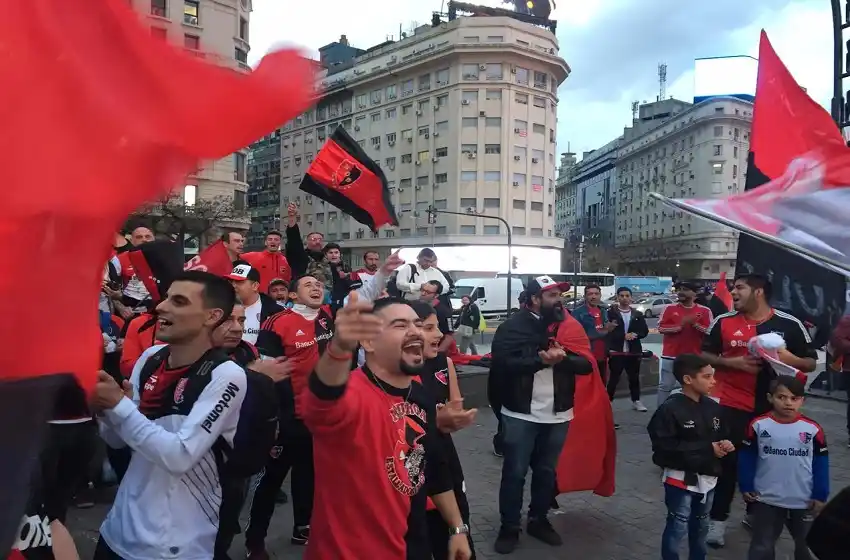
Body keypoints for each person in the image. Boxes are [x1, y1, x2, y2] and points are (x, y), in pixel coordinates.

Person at [90, 271, 248, 560]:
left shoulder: (226, 374)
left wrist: (121, 408)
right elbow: (117, 442)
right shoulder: (150, 358)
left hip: (173, 546)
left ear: (211, 316)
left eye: (178, 301)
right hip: (116, 533)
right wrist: (108, 411)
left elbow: (179, 456)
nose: (161, 306)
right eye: (166, 298)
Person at [301, 295, 472, 559]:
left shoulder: (421, 396)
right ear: (368, 342)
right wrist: (339, 348)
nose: (415, 331)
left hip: (411, 545)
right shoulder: (349, 395)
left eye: (417, 324)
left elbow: (433, 469)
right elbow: (319, 400)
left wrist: (457, 528)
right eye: (401, 325)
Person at [701, 274, 818, 547]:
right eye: (732, 288)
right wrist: (733, 364)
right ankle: (717, 522)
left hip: (773, 411)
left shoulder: (789, 324)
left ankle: (756, 515)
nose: (734, 292)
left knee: (767, 465)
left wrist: (789, 358)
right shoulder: (723, 321)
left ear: (759, 292)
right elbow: (702, 355)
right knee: (727, 464)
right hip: (730, 405)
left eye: (739, 287)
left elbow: (811, 363)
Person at [490, 276, 593, 554]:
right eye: (551, 295)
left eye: (560, 294)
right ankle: (509, 526)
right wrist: (540, 360)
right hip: (520, 412)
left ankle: (538, 519)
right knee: (515, 473)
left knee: (546, 472)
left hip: (558, 413)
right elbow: (501, 365)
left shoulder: (570, 327)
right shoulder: (512, 327)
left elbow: (586, 364)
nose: (559, 300)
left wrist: (564, 358)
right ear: (535, 299)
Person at [410, 301, 478, 560]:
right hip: (410, 467)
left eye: (437, 326)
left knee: (456, 535)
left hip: (442, 458)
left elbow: (455, 407)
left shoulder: (443, 363)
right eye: (429, 327)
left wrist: (452, 419)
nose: (438, 334)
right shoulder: (395, 373)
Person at [647, 354, 732, 560]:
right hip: (679, 481)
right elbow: (663, 448)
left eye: (713, 376)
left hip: (708, 478)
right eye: (707, 376)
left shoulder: (713, 407)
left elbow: (722, 434)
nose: (713, 381)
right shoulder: (669, 409)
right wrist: (707, 449)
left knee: (701, 525)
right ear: (688, 379)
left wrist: (725, 444)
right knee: (677, 524)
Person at [739, 375, 829, 560]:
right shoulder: (758, 425)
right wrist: (746, 485)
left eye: (794, 398)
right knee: (762, 546)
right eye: (782, 397)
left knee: (807, 547)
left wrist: (820, 495)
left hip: (803, 500)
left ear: (802, 401)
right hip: (767, 498)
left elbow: (821, 463)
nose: (788, 403)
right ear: (770, 398)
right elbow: (747, 457)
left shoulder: (813, 429)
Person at [658, 282, 713, 405]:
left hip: (694, 357)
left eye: (686, 289)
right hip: (670, 356)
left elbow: (710, 332)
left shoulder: (704, 311)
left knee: (695, 387)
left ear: (695, 294)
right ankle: (660, 413)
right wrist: (680, 326)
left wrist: (695, 325)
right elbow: (661, 329)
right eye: (679, 289)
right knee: (665, 386)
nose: (680, 292)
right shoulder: (669, 308)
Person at [605, 286, 650, 411]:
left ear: (631, 297)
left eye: (627, 296)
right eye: (622, 296)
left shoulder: (637, 314)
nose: (625, 298)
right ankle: (608, 401)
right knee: (614, 378)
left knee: (634, 378)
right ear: (617, 297)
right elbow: (607, 331)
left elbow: (644, 331)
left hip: (633, 351)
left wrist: (635, 334)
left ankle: (636, 401)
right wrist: (622, 336)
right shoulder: (610, 313)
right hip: (616, 351)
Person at [572, 284, 617, 384]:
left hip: (603, 356)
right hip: (586, 357)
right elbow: (578, 336)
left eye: (596, 294)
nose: (593, 296)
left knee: (601, 385)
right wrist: (605, 331)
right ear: (585, 296)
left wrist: (610, 327)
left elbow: (606, 329)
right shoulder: (577, 313)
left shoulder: (603, 311)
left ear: (600, 295)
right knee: (587, 386)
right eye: (590, 294)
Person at [226, 263, 280, 344]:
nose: (233, 285)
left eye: (239, 282)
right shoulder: (220, 308)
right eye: (231, 281)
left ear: (255, 286)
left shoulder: (276, 312)